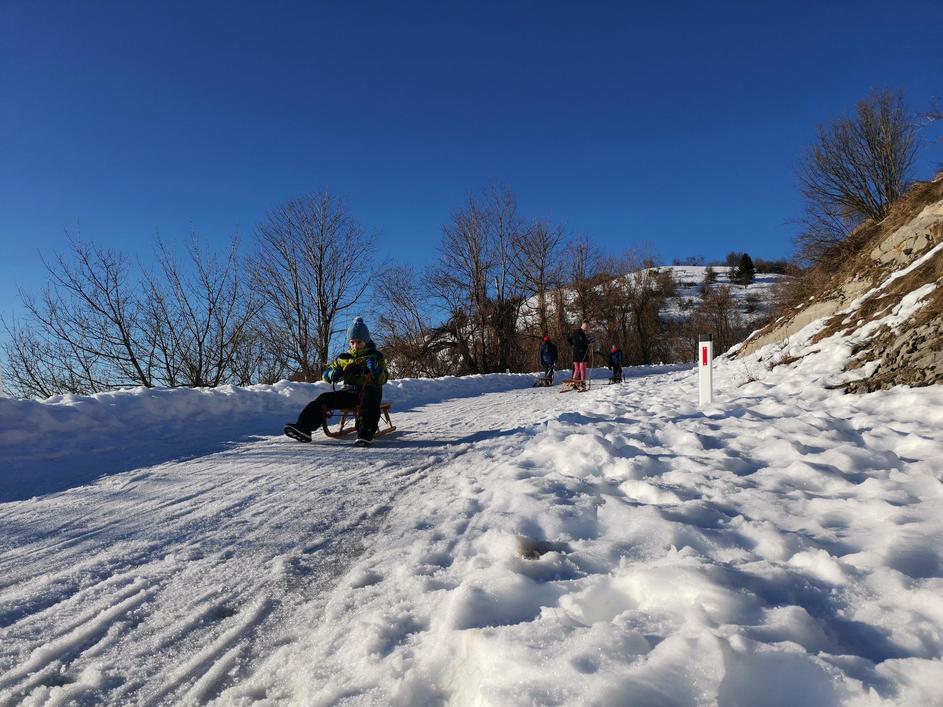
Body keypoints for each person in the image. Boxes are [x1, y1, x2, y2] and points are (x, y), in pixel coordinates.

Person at [284, 317, 389, 447]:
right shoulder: (344, 358)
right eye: (352, 342)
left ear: (366, 341)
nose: (355, 345)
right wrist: (332, 374)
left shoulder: (375, 356)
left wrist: (376, 370)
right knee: (323, 398)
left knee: (368, 402)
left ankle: (365, 432)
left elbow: (383, 378)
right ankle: (303, 427)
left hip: (370, 391)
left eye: (359, 342)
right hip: (349, 392)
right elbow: (326, 374)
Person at [568, 320, 591, 388]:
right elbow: (585, 341)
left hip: (575, 353)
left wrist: (573, 345)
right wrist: (589, 341)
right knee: (582, 369)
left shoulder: (574, 333)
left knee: (577, 369)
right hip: (582, 353)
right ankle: (583, 383)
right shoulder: (581, 334)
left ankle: (574, 383)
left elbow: (569, 339)